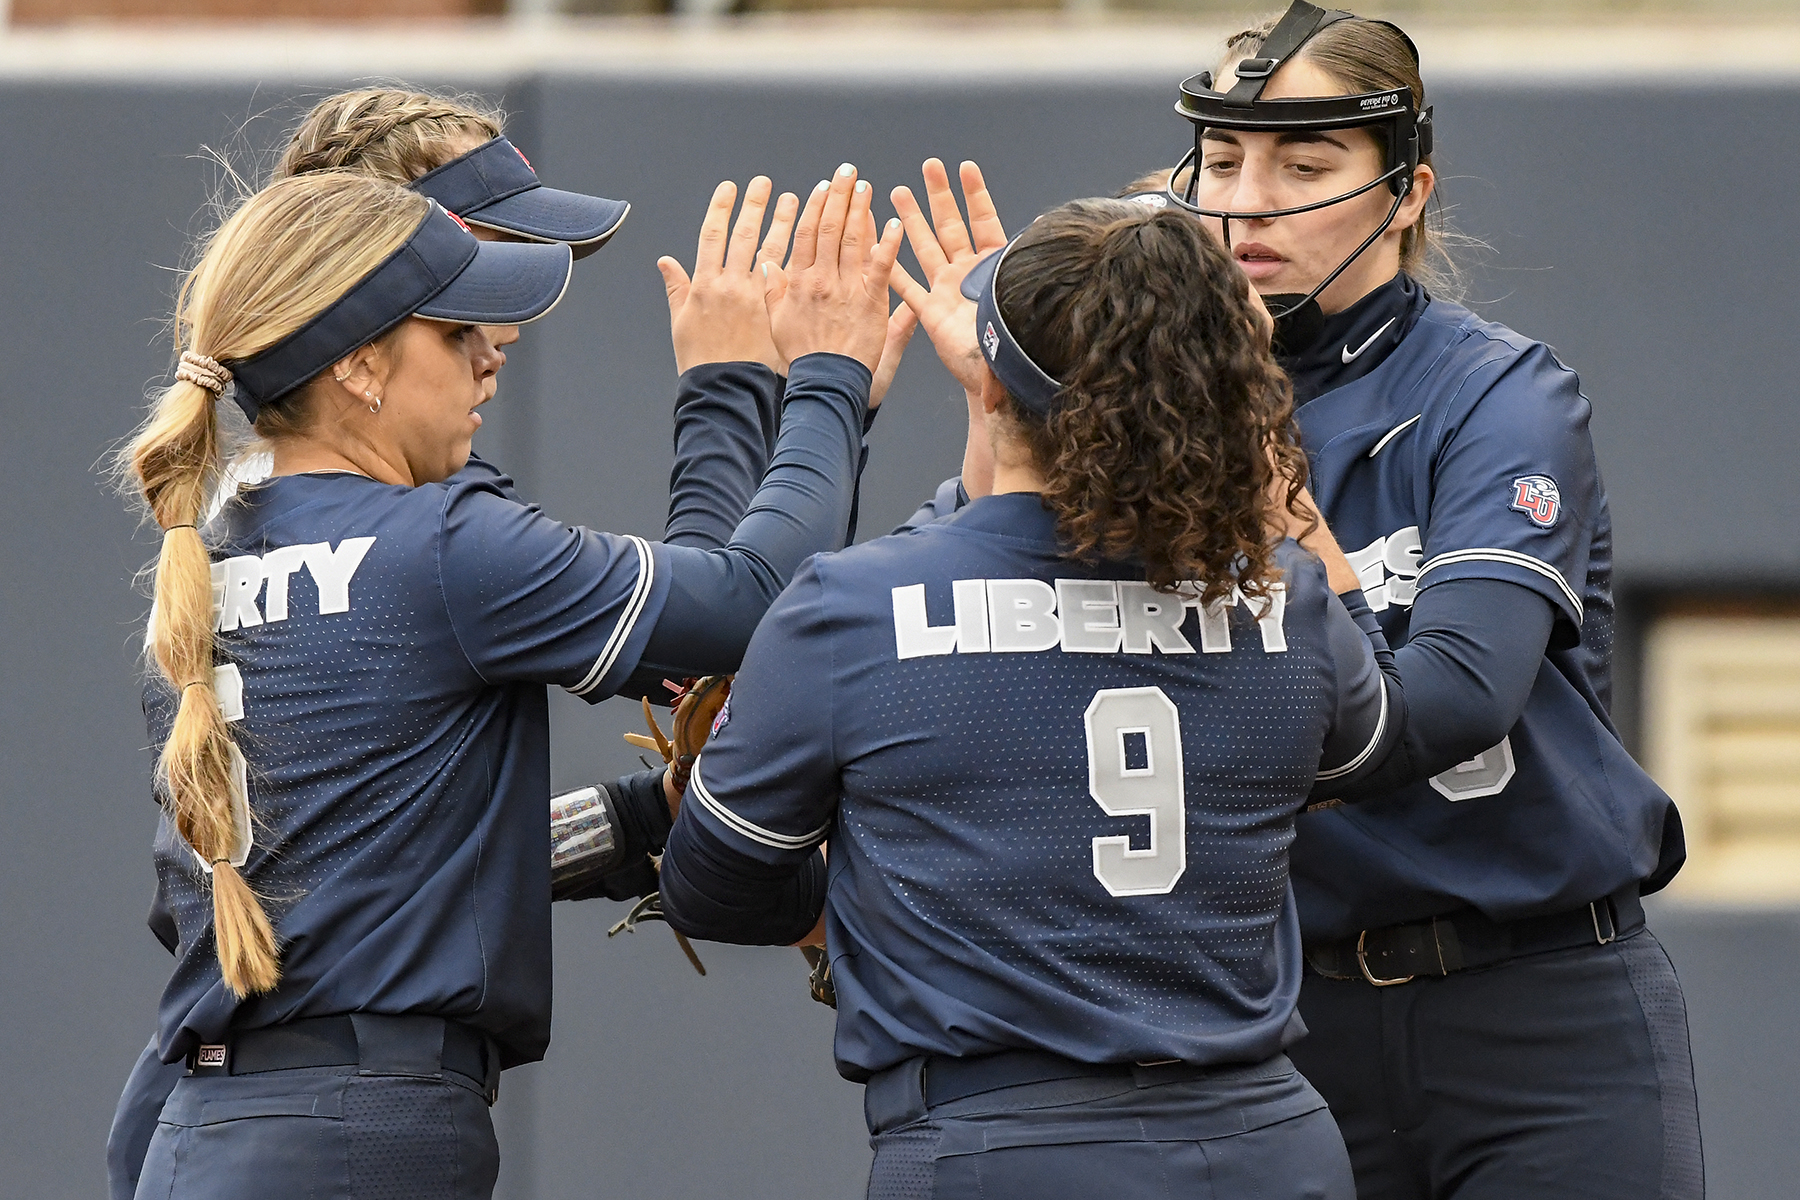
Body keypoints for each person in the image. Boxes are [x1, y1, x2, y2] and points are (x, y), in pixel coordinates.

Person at [105, 87, 917, 1199]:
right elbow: (740, 610)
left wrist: (629, 823)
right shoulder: (433, 537)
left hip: (204, 1111)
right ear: (356, 351)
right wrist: (809, 384)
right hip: (355, 1123)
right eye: (458, 300)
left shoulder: (215, 544)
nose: (497, 344)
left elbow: (374, 854)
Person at [657, 189, 1411, 1199]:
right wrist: (1283, 508)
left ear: (993, 385)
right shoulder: (1286, 595)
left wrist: (867, 888)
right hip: (1266, 1144)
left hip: (1003, 1147)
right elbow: (1376, 744)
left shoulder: (854, 606)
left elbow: (711, 887)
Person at [1162, 5, 1701, 1198]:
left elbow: (1454, 698)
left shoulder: (1494, 393)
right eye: (1226, 157)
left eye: (1305, 164)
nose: (1250, 199)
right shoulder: (1138, 412)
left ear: (1407, 193)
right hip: (1279, 1025)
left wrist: (1295, 552)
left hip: (1537, 1009)